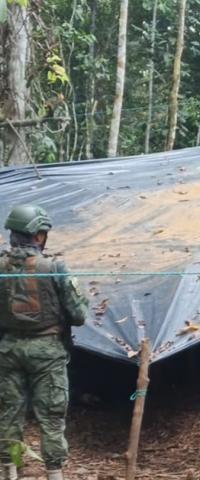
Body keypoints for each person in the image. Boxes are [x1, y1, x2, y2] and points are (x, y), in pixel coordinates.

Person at [0, 205, 89, 480]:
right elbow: (79, 316)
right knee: (51, 416)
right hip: (47, 352)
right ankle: (54, 473)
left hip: (8, 350)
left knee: (9, 413)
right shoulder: (54, 268)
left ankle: (10, 471)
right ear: (39, 236)